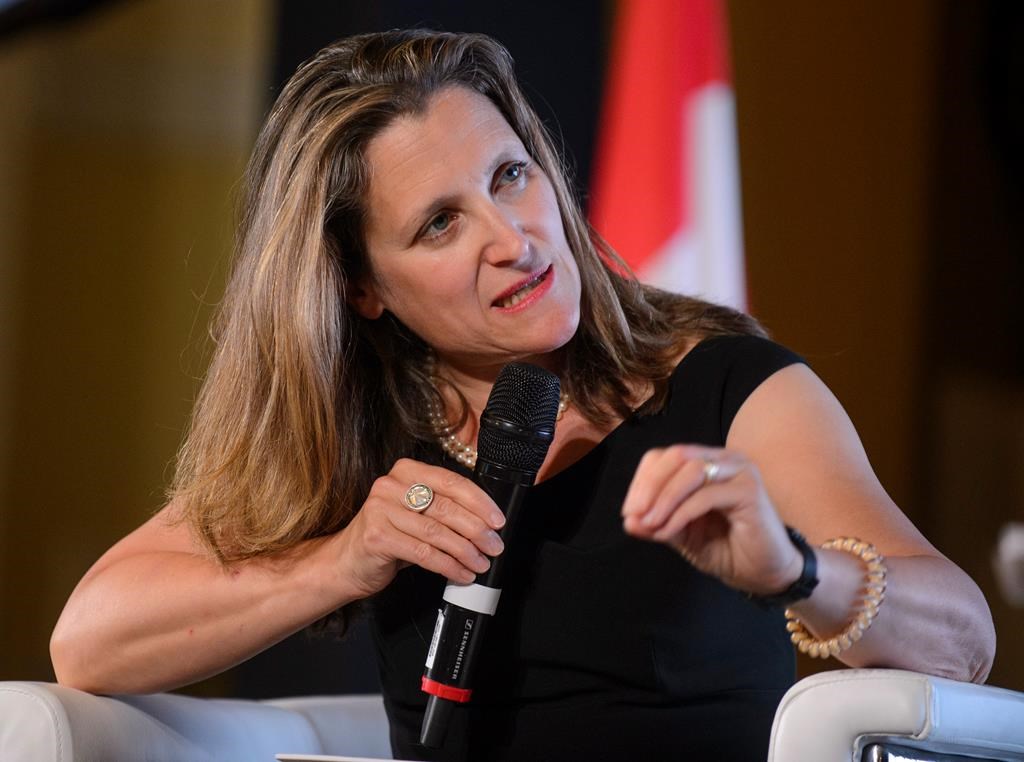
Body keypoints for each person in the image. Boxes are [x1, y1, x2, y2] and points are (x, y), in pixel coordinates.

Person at [50, 29, 995, 761]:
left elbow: (962, 644)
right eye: (439, 225)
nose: (513, 239)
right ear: (361, 288)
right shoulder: (368, 436)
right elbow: (89, 644)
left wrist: (793, 568)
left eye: (512, 175)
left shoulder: (725, 387)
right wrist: (340, 563)